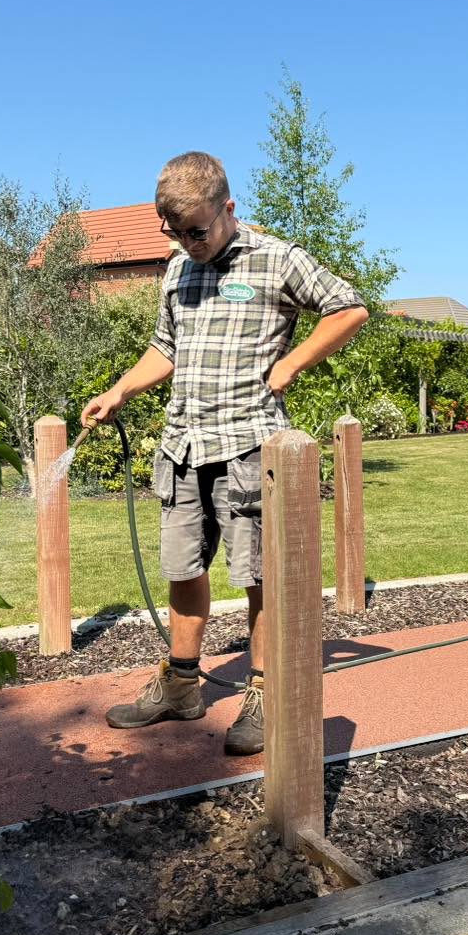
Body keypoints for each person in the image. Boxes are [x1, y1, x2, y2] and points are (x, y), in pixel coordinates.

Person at [81, 151, 369, 755]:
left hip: (248, 446)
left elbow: (349, 308)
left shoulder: (277, 258)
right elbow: (166, 349)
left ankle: (264, 694)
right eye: (176, 231)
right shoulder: (176, 268)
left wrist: (291, 363)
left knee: (257, 578)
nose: (188, 242)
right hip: (183, 444)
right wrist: (121, 390)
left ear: (228, 208)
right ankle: (182, 685)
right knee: (183, 568)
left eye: (197, 230)